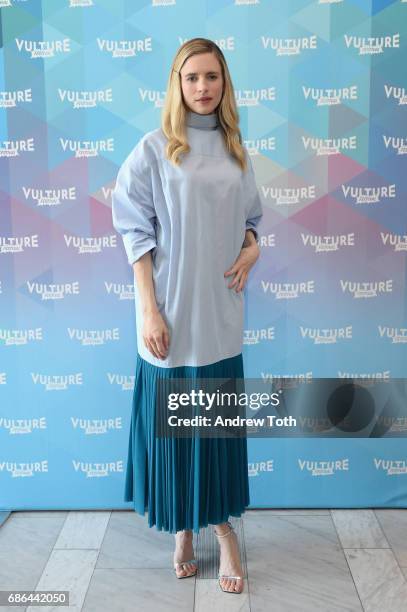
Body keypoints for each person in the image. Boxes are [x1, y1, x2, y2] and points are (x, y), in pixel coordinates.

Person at [111, 37, 263, 595]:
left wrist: (253, 246)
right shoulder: (155, 150)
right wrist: (149, 310)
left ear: (225, 85)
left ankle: (223, 533)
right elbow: (135, 234)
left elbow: (251, 218)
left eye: (213, 78)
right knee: (174, 433)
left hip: (220, 311)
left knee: (215, 429)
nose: (203, 88)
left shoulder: (235, 148)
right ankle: (181, 532)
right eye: (192, 77)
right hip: (170, 315)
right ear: (177, 83)